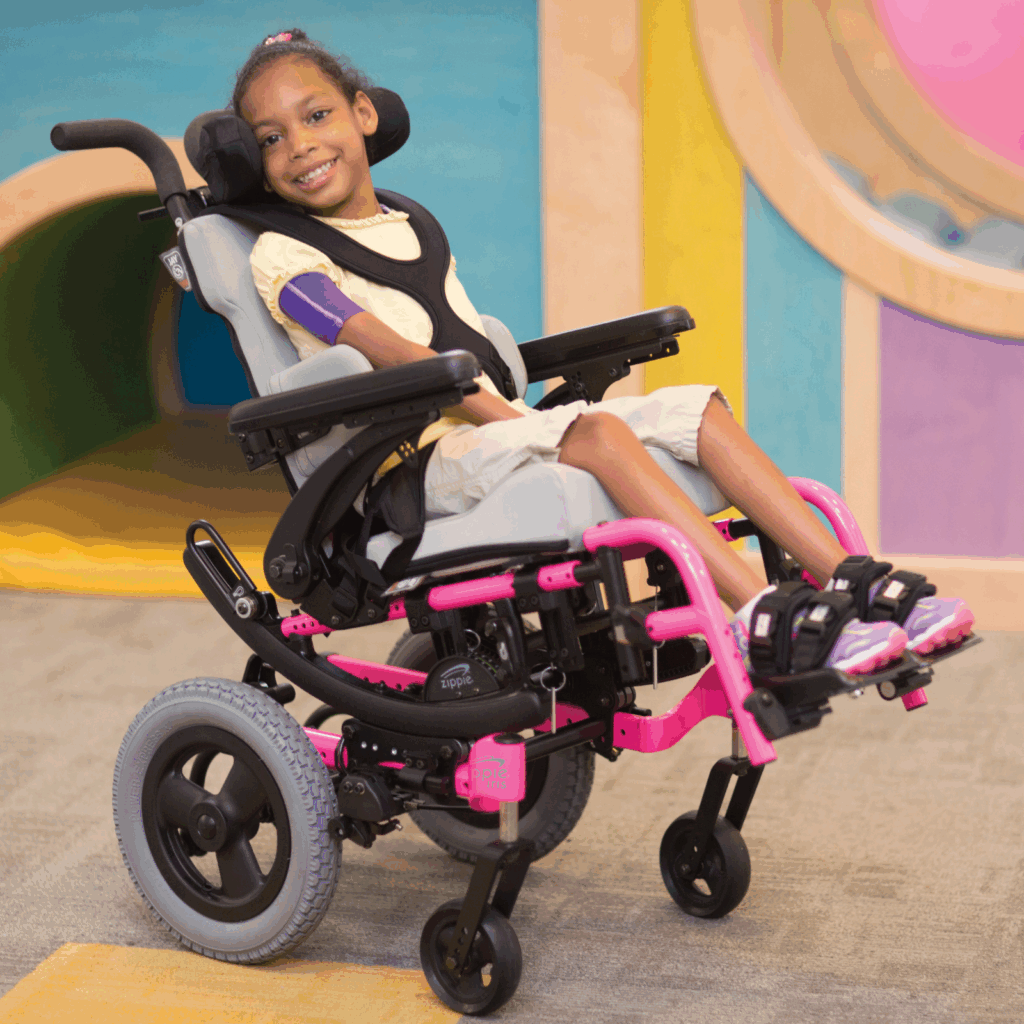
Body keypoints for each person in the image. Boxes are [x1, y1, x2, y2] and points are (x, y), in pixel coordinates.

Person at [233, 29, 974, 675]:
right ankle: (760, 616)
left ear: (365, 114)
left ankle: (856, 585)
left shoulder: (409, 221)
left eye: (318, 115)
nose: (299, 146)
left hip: (488, 432)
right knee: (597, 431)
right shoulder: (281, 258)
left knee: (698, 410)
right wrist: (506, 417)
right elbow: (391, 352)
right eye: (271, 138)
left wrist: (512, 419)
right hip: (414, 466)